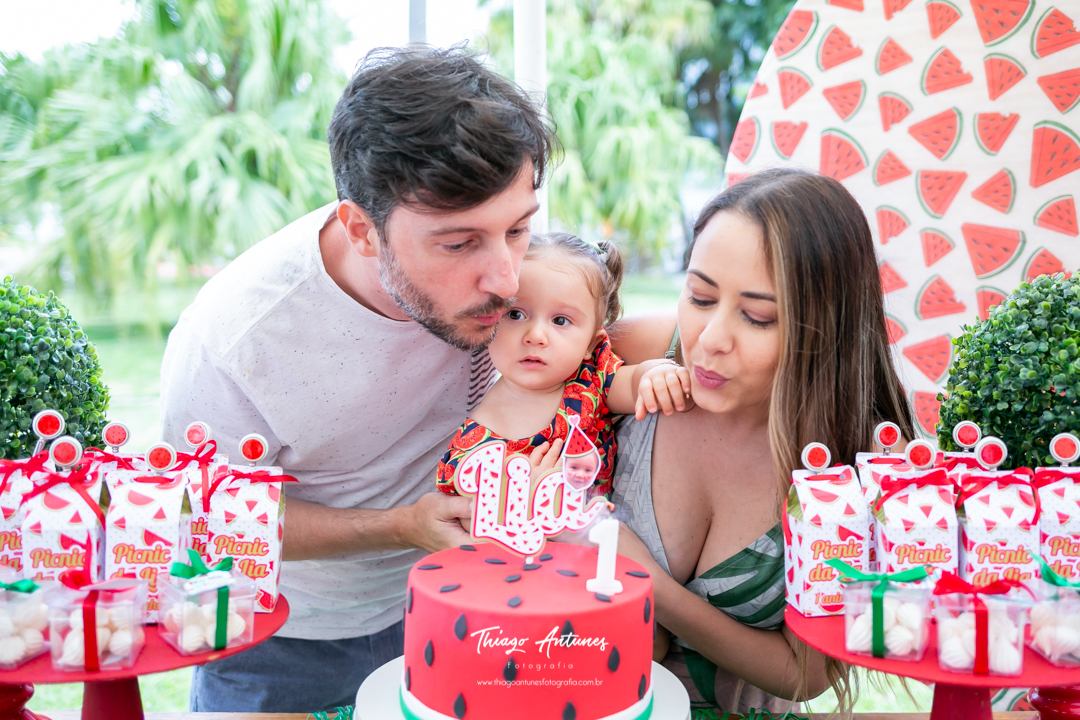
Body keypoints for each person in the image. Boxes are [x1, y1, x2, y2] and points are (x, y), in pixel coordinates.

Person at [159, 46, 557, 712]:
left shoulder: (509, 270)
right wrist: (402, 526)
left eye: (517, 228)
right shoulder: (235, 339)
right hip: (281, 638)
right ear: (361, 230)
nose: (506, 279)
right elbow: (205, 517)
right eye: (458, 244)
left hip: (459, 606)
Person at [608, 168, 915, 716]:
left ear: (826, 327)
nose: (710, 340)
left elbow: (805, 673)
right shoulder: (633, 357)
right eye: (700, 296)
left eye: (757, 317)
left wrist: (649, 587)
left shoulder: (857, 462)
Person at [436, 232, 691, 498]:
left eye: (560, 321)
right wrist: (519, 497)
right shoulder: (475, 446)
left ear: (591, 345)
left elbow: (634, 384)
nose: (535, 335)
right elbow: (465, 515)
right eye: (515, 314)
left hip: (602, 535)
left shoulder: (589, 382)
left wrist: (655, 373)